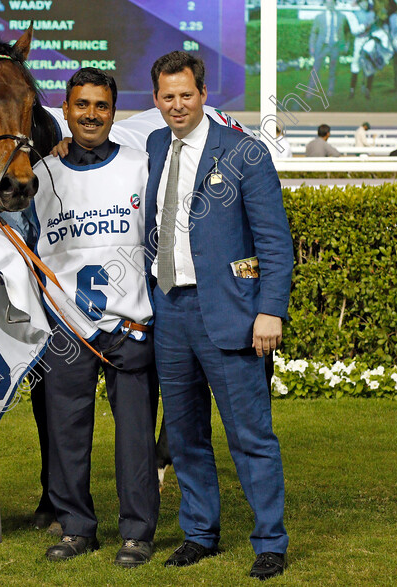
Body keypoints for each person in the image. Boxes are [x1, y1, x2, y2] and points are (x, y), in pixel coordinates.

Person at [145, 51, 293, 581]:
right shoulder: (157, 144)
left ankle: (270, 541)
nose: (177, 105)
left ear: (204, 94)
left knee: (250, 436)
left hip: (231, 314)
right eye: (168, 96)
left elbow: (275, 241)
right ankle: (200, 533)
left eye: (186, 94)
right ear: (156, 99)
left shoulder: (244, 152)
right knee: (184, 436)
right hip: (170, 310)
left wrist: (269, 310)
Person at [32, 68, 158, 568]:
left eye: (101, 106)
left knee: (134, 437)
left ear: (113, 112)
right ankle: (77, 527)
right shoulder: (41, 173)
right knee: (67, 433)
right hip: (68, 328)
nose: (90, 114)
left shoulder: (140, 165)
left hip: (130, 325)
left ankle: (137, 532)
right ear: (65, 111)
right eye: (81, 105)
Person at [309, 0, 349, 96]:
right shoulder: (319, 17)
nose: (330, 5)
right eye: (328, 3)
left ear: (335, 4)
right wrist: (312, 46)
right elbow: (314, 33)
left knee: (333, 69)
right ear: (325, 4)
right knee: (316, 68)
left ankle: (331, 90)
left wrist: (346, 44)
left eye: (332, 3)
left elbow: (347, 32)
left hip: (335, 46)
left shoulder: (342, 17)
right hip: (322, 46)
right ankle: (310, 90)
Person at [348, 0, 377, 99]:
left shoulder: (372, 13)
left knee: (370, 65)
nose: (364, 4)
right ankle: (352, 89)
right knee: (356, 64)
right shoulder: (354, 14)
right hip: (359, 40)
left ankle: (368, 90)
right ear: (359, 3)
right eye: (362, 2)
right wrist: (366, 25)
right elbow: (354, 30)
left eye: (366, 2)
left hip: (370, 40)